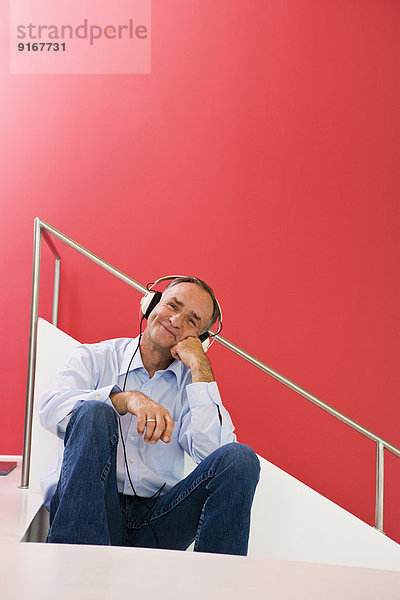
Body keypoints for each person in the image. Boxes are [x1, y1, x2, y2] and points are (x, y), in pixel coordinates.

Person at [39, 276, 260, 554]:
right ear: (151, 304)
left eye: (192, 321)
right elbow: (50, 410)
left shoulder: (191, 385)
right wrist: (125, 399)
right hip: (90, 508)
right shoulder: (94, 357)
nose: (177, 321)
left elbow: (214, 454)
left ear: (201, 340)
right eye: (172, 305)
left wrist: (200, 369)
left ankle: (215, 586)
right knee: (94, 410)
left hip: (157, 521)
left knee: (240, 458)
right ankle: (73, 571)